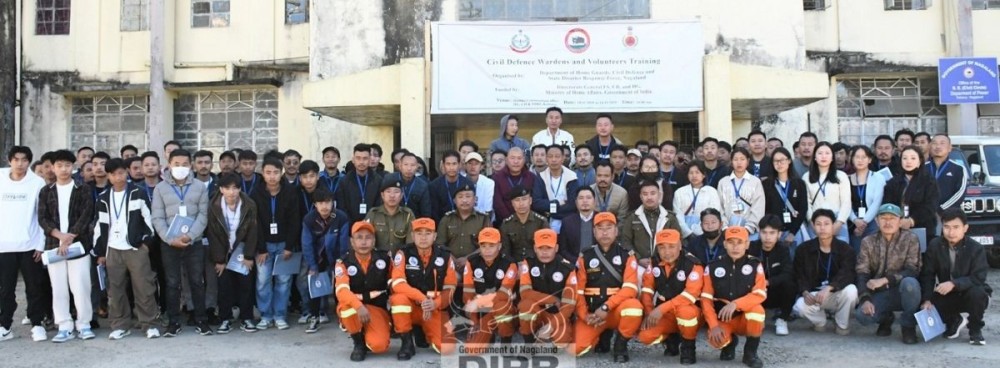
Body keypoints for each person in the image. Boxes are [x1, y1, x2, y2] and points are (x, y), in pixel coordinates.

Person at [93, 158, 160, 340]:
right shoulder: (103, 198)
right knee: (115, 290)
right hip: (112, 249)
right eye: (114, 174)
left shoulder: (138, 193)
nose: (118, 177)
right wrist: (100, 252)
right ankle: (120, 325)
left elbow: (150, 219)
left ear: (127, 173)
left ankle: (149, 324)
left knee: (144, 287)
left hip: (135, 248)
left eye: (121, 173)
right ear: (109, 176)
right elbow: (99, 226)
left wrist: (146, 244)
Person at [151, 149, 212, 337]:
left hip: (194, 242)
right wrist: (171, 239)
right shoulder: (160, 188)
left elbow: (203, 215)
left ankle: (201, 320)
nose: (180, 167)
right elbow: (157, 217)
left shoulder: (200, 187)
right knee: (172, 283)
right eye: (176, 164)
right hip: (169, 243)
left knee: (197, 281)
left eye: (185, 164)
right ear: (169, 165)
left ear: (191, 165)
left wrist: (190, 236)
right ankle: (174, 322)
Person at [38, 149, 96, 342]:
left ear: (74, 167)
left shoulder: (83, 189)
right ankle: (64, 325)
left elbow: (87, 214)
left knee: (81, 286)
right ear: (53, 168)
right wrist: (60, 236)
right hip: (54, 245)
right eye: (59, 165)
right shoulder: (46, 191)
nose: (64, 169)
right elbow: (43, 218)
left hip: (78, 245)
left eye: (67, 165)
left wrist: (69, 238)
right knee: (58, 287)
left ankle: (84, 324)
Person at [572, 212, 642, 362]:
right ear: (594, 232)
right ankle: (602, 335)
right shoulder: (585, 256)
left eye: (609, 228)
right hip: (594, 314)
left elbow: (630, 289)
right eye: (600, 228)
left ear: (616, 231)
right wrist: (584, 316)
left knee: (634, 308)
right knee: (576, 349)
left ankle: (620, 345)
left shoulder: (627, 255)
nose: (604, 232)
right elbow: (578, 291)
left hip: (615, 311)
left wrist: (606, 307)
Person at [920, 209, 992, 346]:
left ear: (965, 228)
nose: (951, 232)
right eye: (946, 227)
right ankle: (954, 320)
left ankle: (975, 329)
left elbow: (978, 277)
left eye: (956, 227)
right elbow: (928, 274)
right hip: (948, 293)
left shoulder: (976, 248)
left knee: (977, 293)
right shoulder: (935, 245)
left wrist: (954, 283)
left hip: (971, 292)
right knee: (925, 305)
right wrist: (927, 299)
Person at [0, 147, 50, 342]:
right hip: (4, 246)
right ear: (9, 160)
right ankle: (5, 326)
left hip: (30, 245)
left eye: (24, 160)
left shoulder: (37, 183)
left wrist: (40, 244)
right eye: (16, 159)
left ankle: (37, 324)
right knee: (6, 289)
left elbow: (41, 215)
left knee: (34, 288)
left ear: (29, 162)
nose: (20, 164)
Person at [389, 218, 457, 359]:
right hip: (412, 306)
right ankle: (407, 343)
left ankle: (422, 331)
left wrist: (435, 304)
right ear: (412, 236)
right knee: (399, 299)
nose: (423, 237)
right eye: (419, 233)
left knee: (447, 348)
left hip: (433, 308)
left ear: (435, 236)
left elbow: (450, 289)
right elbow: (398, 283)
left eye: (428, 233)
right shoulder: (403, 253)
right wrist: (422, 299)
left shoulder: (445, 256)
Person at [853, 204, 922, 344]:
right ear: (877, 221)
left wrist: (886, 280)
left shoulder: (910, 239)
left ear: (900, 221)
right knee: (862, 316)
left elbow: (912, 270)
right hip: (880, 293)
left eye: (892, 218)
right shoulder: (868, 241)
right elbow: (862, 272)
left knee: (911, 284)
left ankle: (908, 326)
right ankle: (886, 318)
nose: (888, 222)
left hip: (903, 291)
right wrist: (865, 299)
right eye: (884, 218)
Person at [701, 227, 766, 368]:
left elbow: (760, 293)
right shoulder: (712, 266)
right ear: (724, 244)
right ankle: (729, 343)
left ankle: (750, 353)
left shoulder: (755, 264)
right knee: (715, 340)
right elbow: (706, 299)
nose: (735, 247)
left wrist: (735, 304)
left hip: (744, 318)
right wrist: (713, 325)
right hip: (723, 319)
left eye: (740, 242)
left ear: (747, 244)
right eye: (731, 242)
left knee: (757, 311)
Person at [636, 229, 703, 364]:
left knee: (686, 313)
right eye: (662, 247)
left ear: (680, 246)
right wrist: (649, 312)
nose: (667, 252)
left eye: (671, 246)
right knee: (645, 337)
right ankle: (671, 338)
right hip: (666, 313)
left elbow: (689, 296)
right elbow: (647, 289)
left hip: (689, 310)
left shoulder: (693, 264)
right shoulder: (654, 262)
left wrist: (660, 310)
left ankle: (688, 347)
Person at [250, 158, 302, 331]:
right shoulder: (256, 193)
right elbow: (255, 222)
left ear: (281, 173)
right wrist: (261, 248)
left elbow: (294, 221)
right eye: (268, 173)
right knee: (262, 281)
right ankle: (266, 315)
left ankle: (280, 315)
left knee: (284, 281)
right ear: (263, 174)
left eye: (276, 173)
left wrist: (289, 246)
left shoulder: (290, 192)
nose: (272, 177)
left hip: (284, 245)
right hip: (264, 246)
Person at [205, 172, 259, 334]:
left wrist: (249, 256)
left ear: (240, 189)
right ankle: (225, 319)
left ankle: (246, 318)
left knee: (246, 285)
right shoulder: (213, 205)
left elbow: (253, 231)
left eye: (235, 188)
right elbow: (212, 234)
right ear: (221, 189)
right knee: (224, 286)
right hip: (222, 251)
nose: (231, 192)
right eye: (227, 188)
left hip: (242, 251)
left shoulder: (249, 204)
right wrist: (219, 260)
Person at [792, 209, 859, 335]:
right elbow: (798, 275)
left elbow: (848, 273)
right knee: (799, 306)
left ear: (833, 225)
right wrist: (805, 292)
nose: (822, 228)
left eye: (826, 224)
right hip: (815, 294)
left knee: (851, 291)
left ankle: (842, 324)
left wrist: (829, 287)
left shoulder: (845, 249)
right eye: (818, 224)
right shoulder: (803, 249)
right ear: (813, 226)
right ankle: (820, 322)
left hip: (836, 293)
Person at [335, 221, 394, 361]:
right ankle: (358, 342)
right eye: (359, 237)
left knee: (379, 346)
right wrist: (358, 306)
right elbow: (342, 291)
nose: (363, 242)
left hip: (377, 308)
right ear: (352, 241)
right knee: (347, 309)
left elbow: (394, 284)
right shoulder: (343, 262)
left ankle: (370, 331)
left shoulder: (385, 258)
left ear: (374, 241)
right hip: (354, 307)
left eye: (368, 237)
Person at [461, 227, 519, 353]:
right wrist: (474, 321)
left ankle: (506, 341)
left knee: (501, 306)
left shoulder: (509, 263)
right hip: (482, 311)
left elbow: (503, 294)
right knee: (472, 350)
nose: (487, 250)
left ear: (499, 246)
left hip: (503, 308)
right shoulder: (471, 262)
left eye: (491, 246)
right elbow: (468, 294)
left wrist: (479, 301)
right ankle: (488, 334)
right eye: (483, 246)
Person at [516, 229, 577, 347]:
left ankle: (547, 334)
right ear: (535, 248)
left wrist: (551, 325)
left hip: (557, 313)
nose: (544, 252)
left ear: (556, 248)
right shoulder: (528, 263)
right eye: (541, 248)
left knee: (562, 342)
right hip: (537, 310)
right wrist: (552, 299)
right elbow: (525, 293)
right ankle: (528, 343)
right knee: (525, 306)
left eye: (549, 248)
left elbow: (569, 305)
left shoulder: (567, 268)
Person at [749, 215, 795, 336]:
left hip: (774, 291)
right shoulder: (751, 248)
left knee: (790, 284)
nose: (768, 237)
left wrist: (768, 282)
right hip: (755, 290)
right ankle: (755, 316)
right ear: (759, 233)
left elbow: (787, 273)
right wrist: (759, 283)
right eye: (764, 232)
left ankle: (782, 319)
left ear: (779, 234)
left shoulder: (783, 249)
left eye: (772, 233)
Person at [619, 180, 683, 267]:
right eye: (645, 194)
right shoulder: (632, 217)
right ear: (641, 196)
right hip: (638, 265)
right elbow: (625, 241)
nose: (649, 197)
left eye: (653, 193)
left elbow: (678, 240)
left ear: (659, 195)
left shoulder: (670, 217)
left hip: (665, 264)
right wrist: (638, 258)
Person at [883, 146, 939, 236]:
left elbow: (931, 206)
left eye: (913, 158)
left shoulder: (929, 181)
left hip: (923, 227)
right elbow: (887, 204)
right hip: (897, 227)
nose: (908, 161)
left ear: (920, 161)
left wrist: (912, 220)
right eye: (905, 158)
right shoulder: (893, 182)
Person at [804, 142, 851, 243]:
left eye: (827, 153)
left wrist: (839, 223)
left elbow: (846, 202)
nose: (823, 156)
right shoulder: (806, 177)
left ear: (832, 157)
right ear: (815, 157)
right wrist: (812, 223)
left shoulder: (841, 176)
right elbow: (806, 203)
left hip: (837, 221)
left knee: (840, 250)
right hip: (816, 222)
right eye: (820, 153)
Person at [762, 148, 807, 250]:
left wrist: (792, 233)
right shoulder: (766, 184)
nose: (779, 164)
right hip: (774, 232)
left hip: (795, 231)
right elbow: (765, 210)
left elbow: (803, 209)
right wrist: (774, 231)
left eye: (782, 160)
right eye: (776, 161)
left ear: (789, 161)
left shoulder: (799, 183)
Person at [491, 147, 549, 224]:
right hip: (505, 223)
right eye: (512, 158)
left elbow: (536, 202)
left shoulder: (532, 177)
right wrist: (511, 221)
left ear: (524, 160)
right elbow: (498, 204)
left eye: (519, 158)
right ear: (507, 160)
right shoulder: (497, 178)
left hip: (530, 223)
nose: (516, 161)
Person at [718, 148, 765, 238]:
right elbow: (720, 207)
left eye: (742, 159)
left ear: (748, 161)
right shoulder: (723, 182)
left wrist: (748, 229)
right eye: (735, 159)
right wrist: (725, 228)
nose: (739, 162)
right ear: (731, 162)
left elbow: (758, 207)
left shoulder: (755, 182)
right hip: (727, 230)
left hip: (750, 232)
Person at [437, 183, 490, 264]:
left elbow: (488, 244)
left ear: (475, 199)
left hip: (476, 263)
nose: (464, 200)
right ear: (454, 201)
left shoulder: (483, 219)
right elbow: (439, 244)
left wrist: (467, 259)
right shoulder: (447, 219)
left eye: (468, 196)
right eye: (460, 197)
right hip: (449, 263)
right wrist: (452, 260)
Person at [674, 161, 723, 239]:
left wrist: (700, 232)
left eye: (697, 172)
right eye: (691, 173)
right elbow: (677, 215)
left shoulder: (711, 191)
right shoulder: (679, 192)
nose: (694, 176)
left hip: (706, 233)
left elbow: (713, 213)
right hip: (684, 234)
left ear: (703, 175)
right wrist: (688, 233)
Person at [499, 185, 550, 262]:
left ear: (530, 201)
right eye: (517, 200)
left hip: (536, 263)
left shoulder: (541, 222)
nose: (521, 204)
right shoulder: (506, 224)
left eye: (524, 199)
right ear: (512, 203)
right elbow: (505, 251)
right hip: (513, 264)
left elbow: (545, 248)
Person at [365, 176, 415, 252]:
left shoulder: (408, 215)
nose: (392, 195)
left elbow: (410, 243)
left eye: (396, 192)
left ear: (401, 195)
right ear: (382, 195)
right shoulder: (373, 214)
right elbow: (367, 240)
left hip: (401, 257)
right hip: (377, 257)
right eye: (388, 191)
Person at [337, 143, 383, 222]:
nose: (361, 162)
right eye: (358, 158)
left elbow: (379, 206)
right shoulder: (344, 181)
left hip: (372, 224)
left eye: (365, 158)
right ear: (353, 160)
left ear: (369, 160)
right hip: (350, 225)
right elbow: (342, 207)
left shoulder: (378, 180)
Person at [539, 144, 579, 231]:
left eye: (557, 156)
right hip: (545, 223)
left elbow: (572, 205)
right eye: (550, 156)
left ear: (563, 158)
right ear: (546, 158)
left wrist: (551, 212)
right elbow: (537, 203)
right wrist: (558, 203)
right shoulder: (540, 177)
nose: (554, 160)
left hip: (567, 222)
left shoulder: (572, 177)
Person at [928, 134, 967, 213]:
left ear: (950, 148)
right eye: (934, 143)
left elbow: (960, 193)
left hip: (949, 214)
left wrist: (942, 209)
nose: (938, 146)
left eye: (942, 143)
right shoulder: (922, 168)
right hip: (926, 214)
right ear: (930, 147)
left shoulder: (958, 168)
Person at [429, 150, 472, 222]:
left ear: (459, 165)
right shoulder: (434, 185)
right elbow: (434, 212)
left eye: (454, 164)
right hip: (442, 223)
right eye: (448, 164)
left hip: (464, 222)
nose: (451, 168)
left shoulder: (468, 183)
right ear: (443, 165)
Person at [386, 152, 431, 219]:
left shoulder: (422, 185)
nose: (409, 168)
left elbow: (426, 212)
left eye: (412, 165)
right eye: (406, 164)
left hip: (414, 221)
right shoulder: (389, 179)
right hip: (391, 219)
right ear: (400, 166)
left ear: (417, 167)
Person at [557, 187, 596, 263]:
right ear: (576, 202)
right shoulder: (567, 222)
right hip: (575, 264)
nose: (585, 201)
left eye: (588, 198)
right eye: (581, 198)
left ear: (595, 202)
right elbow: (563, 250)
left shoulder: (601, 219)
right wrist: (576, 261)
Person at [464, 152, 495, 219]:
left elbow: (488, 209)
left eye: (476, 164)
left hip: (482, 218)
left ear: (481, 166)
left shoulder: (489, 183)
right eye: (470, 163)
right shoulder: (460, 180)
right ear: (465, 165)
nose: (473, 166)